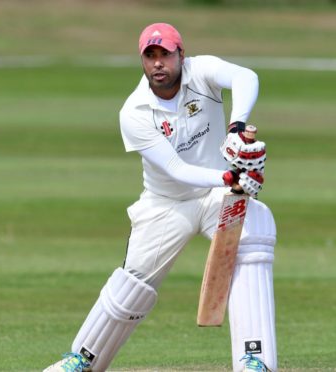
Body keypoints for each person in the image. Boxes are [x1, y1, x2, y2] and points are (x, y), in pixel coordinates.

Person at [44, 22, 276, 372]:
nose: (158, 63)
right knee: (134, 281)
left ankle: (254, 359)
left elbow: (247, 77)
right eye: (150, 56)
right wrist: (233, 176)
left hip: (217, 197)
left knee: (254, 228)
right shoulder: (135, 112)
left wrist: (237, 126)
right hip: (167, 203)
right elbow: (176, 169)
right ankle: (83, 358)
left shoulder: (202, 71)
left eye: (165, 54)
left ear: (181, 54)